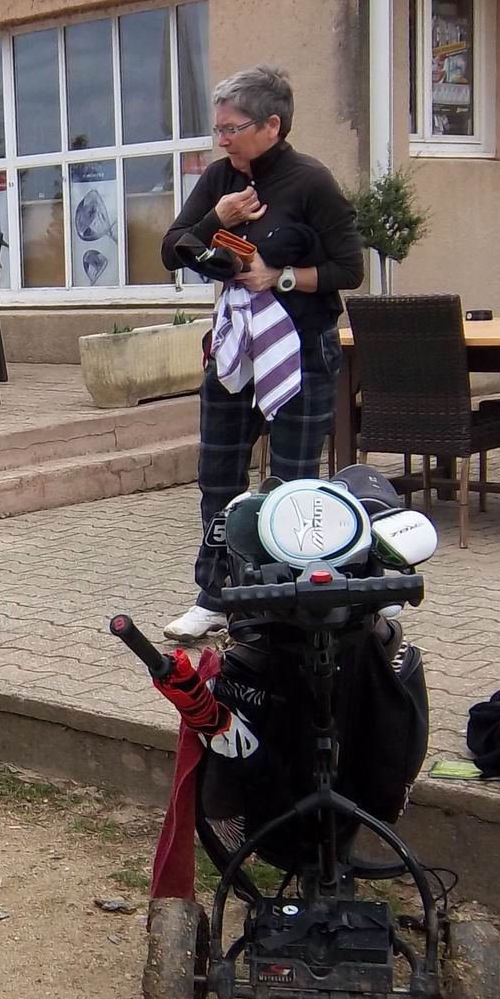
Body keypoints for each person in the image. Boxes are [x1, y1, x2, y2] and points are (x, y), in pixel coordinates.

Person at [160, 66, 364, 642]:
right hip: (235, 352)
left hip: (301, 351)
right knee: (218, 479)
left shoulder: (310, 182)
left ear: (271, 125)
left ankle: (285, 600)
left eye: (233, 128)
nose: (222, 140)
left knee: (292, 484)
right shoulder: (220, 179)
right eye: (218, 129)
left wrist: (281, 277)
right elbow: (173, 250)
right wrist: (217, 218)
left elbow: (349, 268)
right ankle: (216, 596)